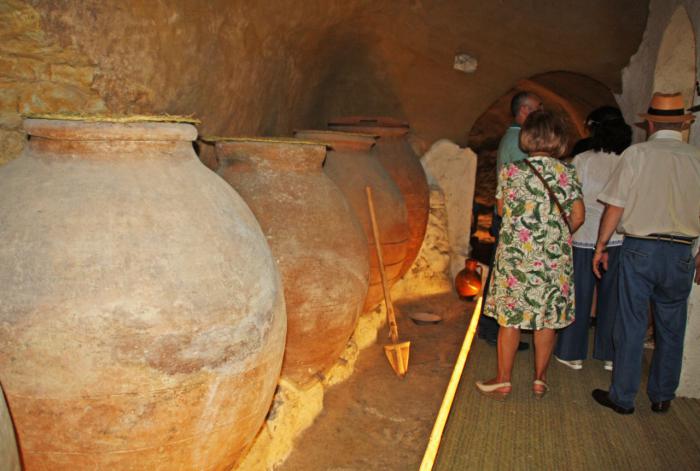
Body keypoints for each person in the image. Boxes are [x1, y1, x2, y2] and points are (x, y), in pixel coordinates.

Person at [591, 92, 700, 415]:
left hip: (641, 248)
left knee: (632, 324)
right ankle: (663, 395)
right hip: (681, 250)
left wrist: (601, 246)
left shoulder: (636, 155)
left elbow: (616, 206)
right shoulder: (697, 158)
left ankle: (623, 397)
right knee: (671, 326)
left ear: (650, 123)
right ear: (682, 124)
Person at [476, 110, 585, 399]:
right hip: (553, 259)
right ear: (559, 139)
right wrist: (556, 236)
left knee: (509, 319)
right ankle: (539, 379)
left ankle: (503, 379)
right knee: (547, 319)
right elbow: (578, 215)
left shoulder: (511, 172)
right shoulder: (568, 173)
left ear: (527, 136)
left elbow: (501, 210)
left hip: (516, 258)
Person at [554, 106, 632, 371]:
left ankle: (571, 351)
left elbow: (570, 200)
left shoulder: (583, 160)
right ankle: (609, 354)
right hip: (619, 238)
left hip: (585, 236)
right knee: (614, 297)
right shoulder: (629, 160)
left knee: (579, 294)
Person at [478, 91, 542, 351]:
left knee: (501, 274)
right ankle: (494, 330)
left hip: (507, 215)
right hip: (510, 218)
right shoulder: (517, 140)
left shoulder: (513, 137)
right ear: (525, 111)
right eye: (537, 109)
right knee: (503, 277)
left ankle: (496, 329)